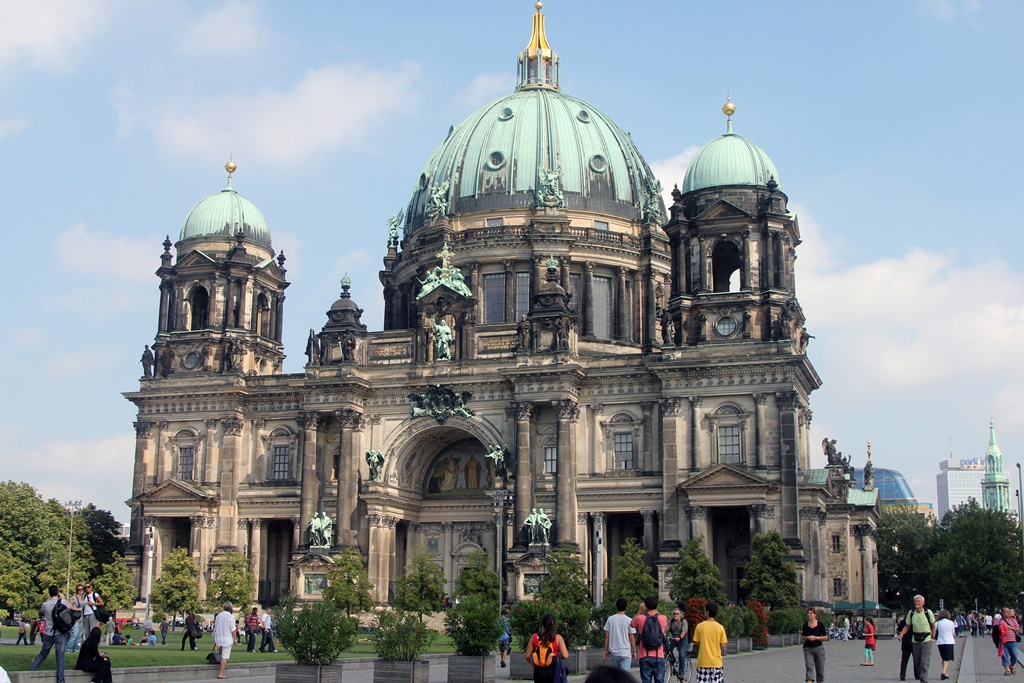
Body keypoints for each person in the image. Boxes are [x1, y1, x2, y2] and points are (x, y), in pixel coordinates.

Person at [28, 585, 71, 682]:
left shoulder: (45, 604)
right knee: (60, 658)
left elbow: (43, 612)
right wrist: (63, 598)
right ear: (57, 592)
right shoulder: (62, 602)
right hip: (60, 633)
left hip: (49, 632)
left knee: (43, 653)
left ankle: (32, 670)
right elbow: (69, 608)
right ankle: (60, 680)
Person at [899, 594, 937, 683]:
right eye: (915, 601)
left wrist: (933, 637)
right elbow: (907, 626)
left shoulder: (928, 612)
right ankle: (921, 677)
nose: (916, 603)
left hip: (926, 639)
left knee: (924, 662)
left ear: (923, 603)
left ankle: (924, 680)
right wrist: (901, 634)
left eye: (918, 601)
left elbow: (933, 626)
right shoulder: (911, 613)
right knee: (917, 663)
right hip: (915, 640)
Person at [631, 595, 668, 683]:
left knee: (646, 680)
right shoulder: (663, 618)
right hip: (658, 655)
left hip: (644, 654)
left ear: (645, 606)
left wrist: (640, 611)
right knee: (659, 680)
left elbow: (632, 624)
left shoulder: (640, 618)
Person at [525, 613, 569, 683]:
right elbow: (565, 655)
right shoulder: (557, 638)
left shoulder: (534, 637)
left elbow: (527, 656)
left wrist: (533, 665)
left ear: (542, 624)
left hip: (539, 671)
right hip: (553, 670)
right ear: (554, 624)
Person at [691, 602, 728, 683]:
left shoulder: (700, 626)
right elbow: (723, 645)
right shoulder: (720, 627)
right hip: (716, 662)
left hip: (703, 662)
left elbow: (696, 642)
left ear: (707, 612)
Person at [75, 610, 112, 683]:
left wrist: (101, 656)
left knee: (106, 663)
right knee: (107, 663)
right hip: (87, 665)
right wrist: (102, 658)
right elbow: (97, 656)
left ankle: (108, 681)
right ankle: (96, 681)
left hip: (84, 663)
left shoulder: (88, 642)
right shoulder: (93, 643)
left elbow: (94, 654)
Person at [603, 597, 637, 672]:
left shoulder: (610, 619)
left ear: (616, 606)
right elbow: (631, 638)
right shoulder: (629, 620)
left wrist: (606, 649)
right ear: (626, 607)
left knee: (616, 677)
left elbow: (607, 636)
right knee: (624, 677)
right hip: (625, 652)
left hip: (614, 652)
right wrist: (634, 651)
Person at [802, 607, 828, 683]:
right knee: (809, 667)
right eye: (808, 613)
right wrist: (808, 637)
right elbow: (803, 636)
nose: (809, 615)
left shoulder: (820, 624)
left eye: (811, 613)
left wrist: (817, 638)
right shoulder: (805, 625)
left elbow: (826, 637)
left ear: (815, 615)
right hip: (808, 648)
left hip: (819, 648)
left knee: (820, 669)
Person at [214, 602, 238, 680]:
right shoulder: (230, 617)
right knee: (225, 656)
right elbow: (233, 630)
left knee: (222, 653)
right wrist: (235, 639)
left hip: (218, 637)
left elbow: (216, 626)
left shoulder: (218, 616)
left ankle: (220, 665)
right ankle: (221, 673)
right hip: (227, 638)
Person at [667, 606, 688, 679]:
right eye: (674, 613)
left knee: (682, 655)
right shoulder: (671, 621)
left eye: (677, 613)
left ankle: (681, 673)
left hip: (682, 639)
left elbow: (684, 631)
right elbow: (666, 630)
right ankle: (673, 661)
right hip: (674, 639)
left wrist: (680, 637)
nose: (675, 615)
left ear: (680, 615)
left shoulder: (683, 621)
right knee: (667, 649)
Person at [934, 610, 956, 680]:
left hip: (940, 642)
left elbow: (934, 632)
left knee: (943, 658)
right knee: (947, 658)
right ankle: (943, 672)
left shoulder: (937, 623)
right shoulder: (951, 623)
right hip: (949, 641)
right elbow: (953, 632)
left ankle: (946, 673)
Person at [68, 584, 87, 653]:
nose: (81, 590)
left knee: (79, 635)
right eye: (79, 589)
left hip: (82, 618)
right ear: (77, 590)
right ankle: (68, 648)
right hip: (75, 618)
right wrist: (77, 609)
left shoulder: (84, 597)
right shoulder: (74, 598)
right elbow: (68, 606)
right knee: (74, 634)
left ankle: (76, 648)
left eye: (82, 589)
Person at [1001, 607, 1020, 675]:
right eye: (1006, 611)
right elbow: (996, 629)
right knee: (1004, 656)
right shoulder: (1000, 621)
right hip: (1003, 641)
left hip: (1013, 641)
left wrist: (1012, 628)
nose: (1008, 613)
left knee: (1015, 656)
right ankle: (1007, 670)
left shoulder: (1013, 620)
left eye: (1009, 611)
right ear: (1003, 613)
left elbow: (1018, 629)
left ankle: (1011, 666)